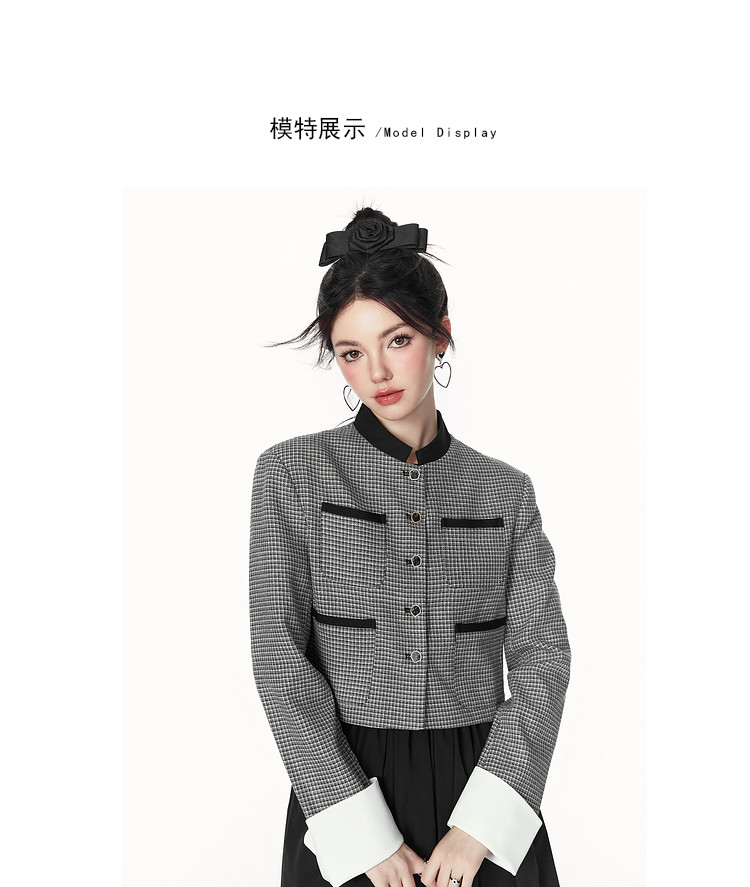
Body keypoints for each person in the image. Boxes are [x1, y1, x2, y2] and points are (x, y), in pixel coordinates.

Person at [248, 207, 572, 887]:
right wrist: (358, 833)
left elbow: (543, 658)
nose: (377, 371)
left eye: (397, 340)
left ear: (441, 333)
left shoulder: (505, 491)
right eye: (351, 352)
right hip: (342, 789)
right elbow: (280, 658)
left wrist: (479, 828)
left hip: (483, 795)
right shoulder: (291, 475)